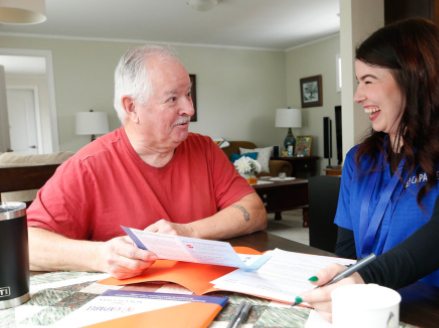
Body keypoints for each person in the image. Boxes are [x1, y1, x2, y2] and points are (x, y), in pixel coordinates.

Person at [299, 18, 439, 322]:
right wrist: (338, 285)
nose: (357, 96)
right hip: (365, 309)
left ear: (414, 78)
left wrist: (364, 278)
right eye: (357, 81)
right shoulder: (358, 159)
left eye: (369, 80)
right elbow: (346, 248)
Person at [27, 45, 267, 279]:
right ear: (132, 107)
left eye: (188, 94)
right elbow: (26, 243)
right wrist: (99, 256)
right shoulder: (87, 166)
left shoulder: (205, 149)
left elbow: (254, 211)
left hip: (208, 288)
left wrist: (189, 232)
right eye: (173, 99)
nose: (190, 109)